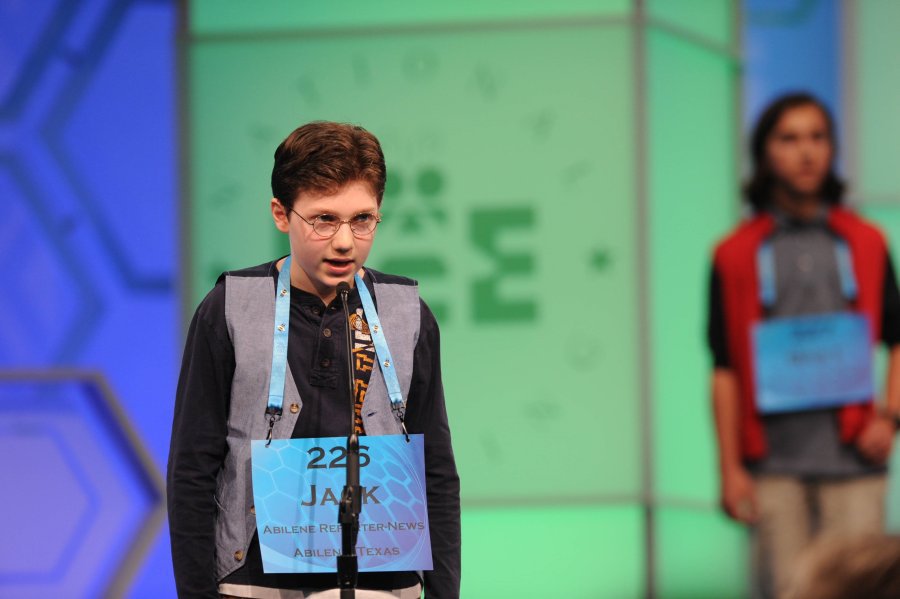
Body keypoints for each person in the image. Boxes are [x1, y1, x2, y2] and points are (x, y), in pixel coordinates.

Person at [167, 121, 461, 598]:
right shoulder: (230, 307)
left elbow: (437, 472)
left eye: (363, 219)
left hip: (385, 581)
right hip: (256, 581)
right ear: (281, 214)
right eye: (324, 219)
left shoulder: (407, 313)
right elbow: (192, 469)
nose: (345, 241)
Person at [707, 92, 900, 599]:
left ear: (833, 149)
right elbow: (723, 367)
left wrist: (891, 417)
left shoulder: (867, 241)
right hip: (772, 465)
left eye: (817, 137)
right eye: (789, 139)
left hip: (855, 460)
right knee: (786, 591)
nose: (806, 152)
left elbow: (898, 338)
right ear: (765, 152)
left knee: (862, 589)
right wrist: (729, 468)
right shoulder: (733, 252)